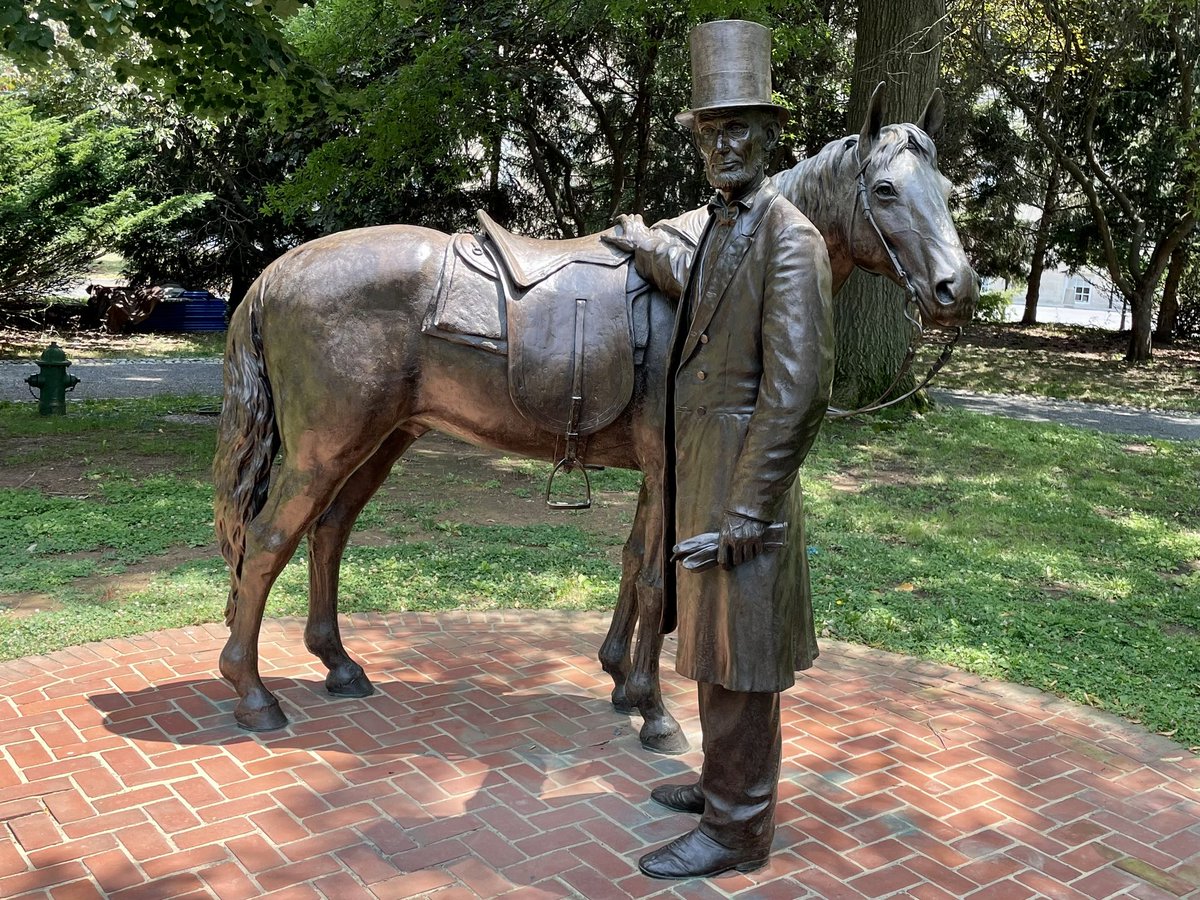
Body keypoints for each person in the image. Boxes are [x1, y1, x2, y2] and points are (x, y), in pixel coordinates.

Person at [603, 20, 834, 879]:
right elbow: (700, 284)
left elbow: (801, 387)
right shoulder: (722, 229)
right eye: (710, 129)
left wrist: (748, 506)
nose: (723, 144)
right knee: (711, 643)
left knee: (741, 661)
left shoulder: (790, 237)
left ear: (771, 136)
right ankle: (719, 783)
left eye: (739, 127)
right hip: (705, 471)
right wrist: (644, 244)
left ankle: (738, 831)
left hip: (744, 482)